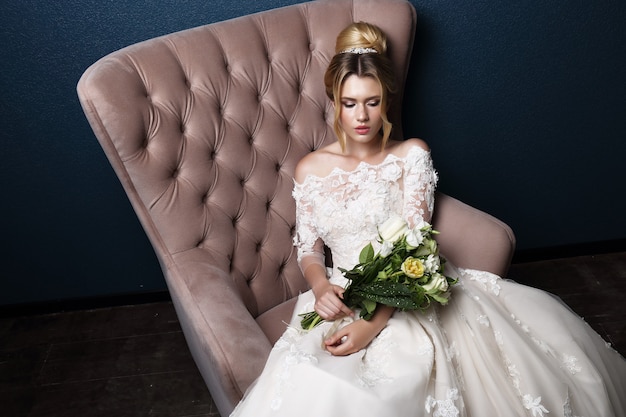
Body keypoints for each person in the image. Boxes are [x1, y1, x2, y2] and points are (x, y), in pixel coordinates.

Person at [230, 22, 626, 417]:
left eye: (373, 101)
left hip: (408, 292)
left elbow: (418, 246)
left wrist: (373, 324)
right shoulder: (311, 168)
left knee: (395, 386)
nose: (361, 116)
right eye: (350, 103)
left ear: (387, 100)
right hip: (342, 294)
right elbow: (310, 249)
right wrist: (320, 288)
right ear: (334, 100)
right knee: (309, 382)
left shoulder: (410, 155)